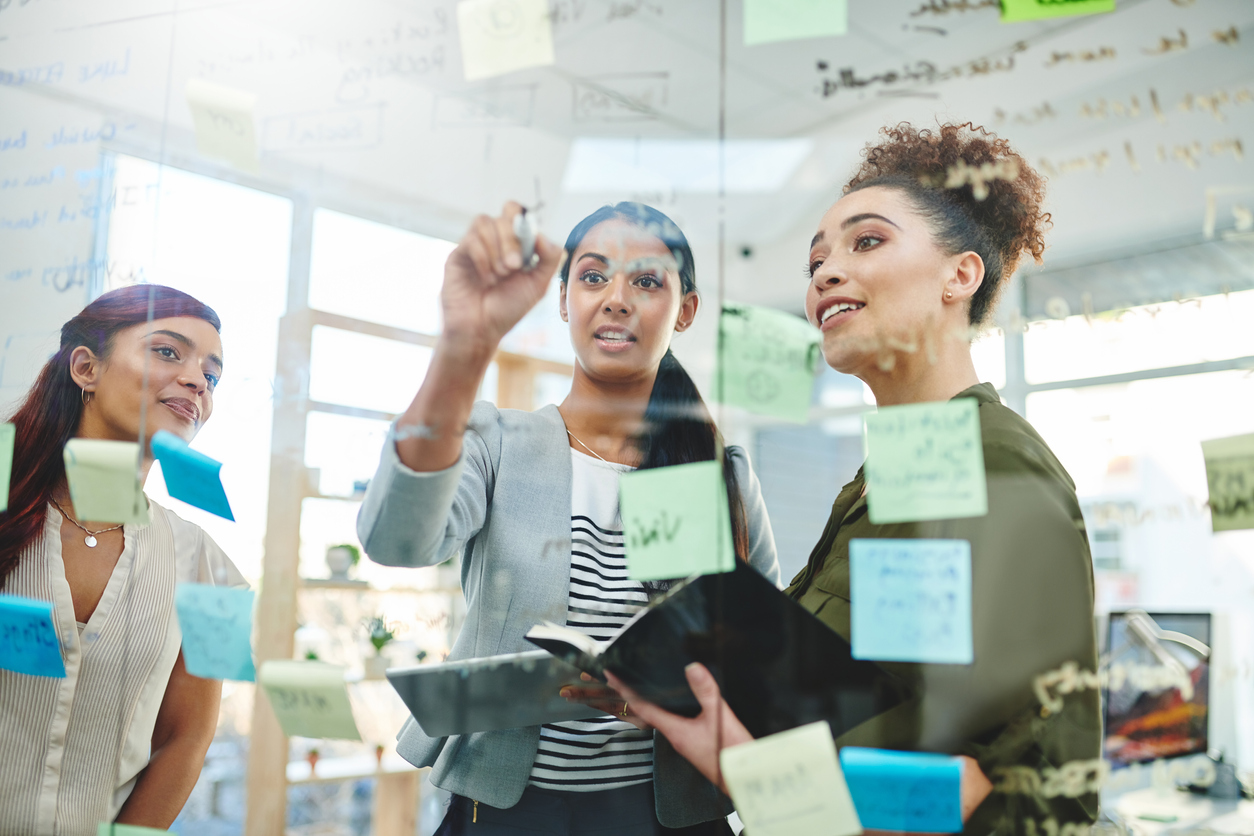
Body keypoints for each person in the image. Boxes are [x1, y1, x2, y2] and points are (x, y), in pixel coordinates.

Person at [596, 124, 1103, 836]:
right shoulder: (891, 475)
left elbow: (1003, 783)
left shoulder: (994, 460)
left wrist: (744, 765)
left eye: (866, 242)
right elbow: (879, 709)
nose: (824, 275)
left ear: (960, 274)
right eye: (815, 263)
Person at [356, 201, 780, 835]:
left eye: (645, 281)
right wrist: (464, 346)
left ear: (684, 311)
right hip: (506, 811)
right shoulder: (497, 443)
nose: (615, 299)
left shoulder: (721, 473)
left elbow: (763, 661)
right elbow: (395, 540)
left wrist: (674, 692)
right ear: (563, 300)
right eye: (592, 276)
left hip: (670, 813)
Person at [0, 284, 247, 835]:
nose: (196, 381)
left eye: (211, 375)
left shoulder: (215, 572)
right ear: (86, 368)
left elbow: (187, 740)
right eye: (168, 352)